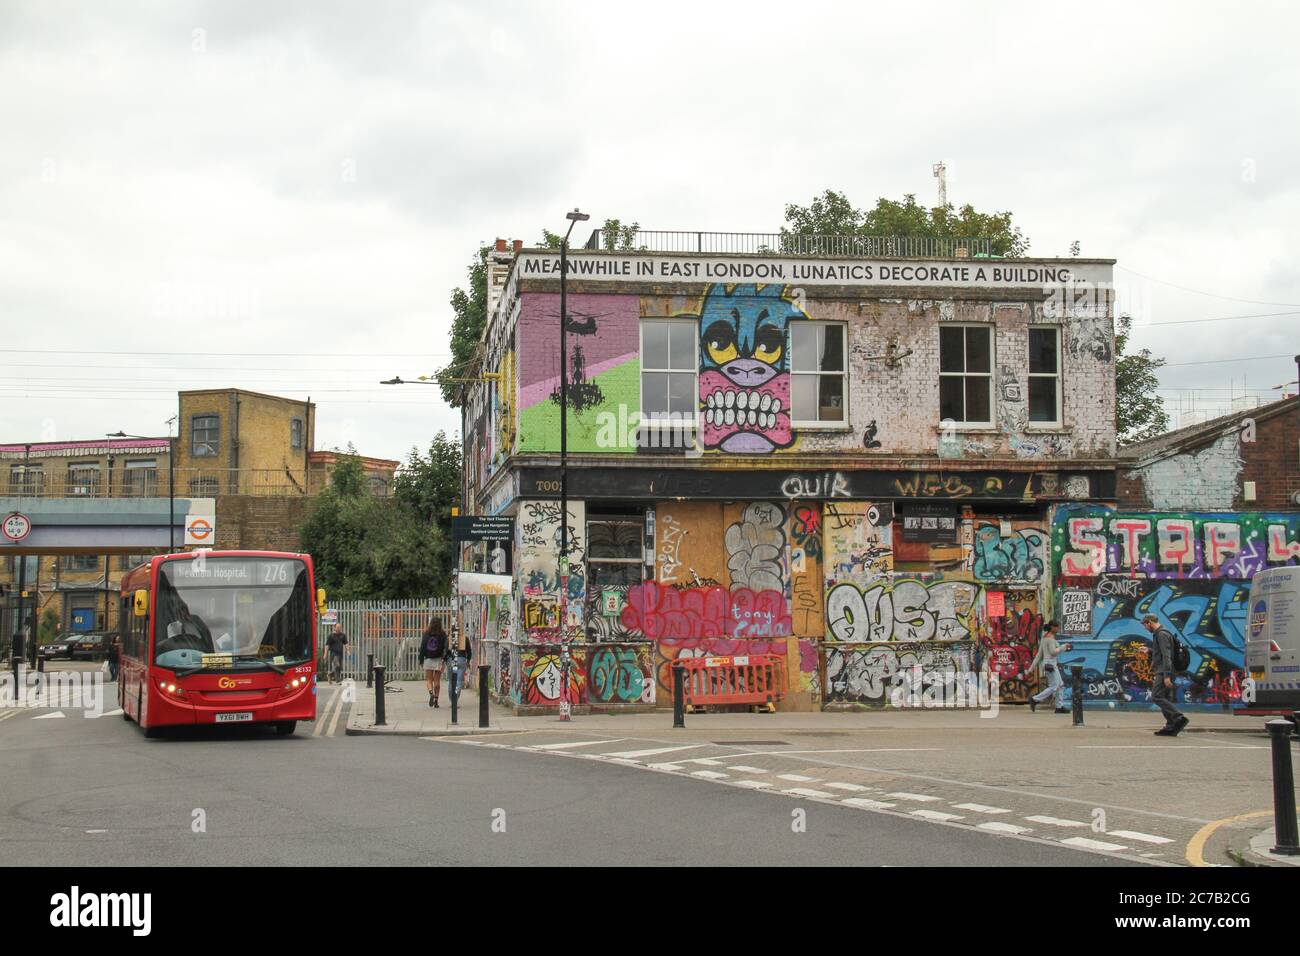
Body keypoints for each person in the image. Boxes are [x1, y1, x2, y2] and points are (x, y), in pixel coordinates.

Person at [1142, 614, 1189, 736]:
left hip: (1164, 671)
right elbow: (1163, 653)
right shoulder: (1161, 634)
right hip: (1164, 670)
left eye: (1145, 625)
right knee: (1164, 698)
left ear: (1150, 622)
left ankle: (1179, 717)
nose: (1145, 628)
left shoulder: (1162, 634)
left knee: (1156, 696)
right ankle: (1171, 726)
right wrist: (1150, 651)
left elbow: (1167, 656)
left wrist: (1167, 676)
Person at [1025, 621, 1072, 714]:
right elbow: (1053, 652)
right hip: (1050, 665)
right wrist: (1063, 647)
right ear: (1052, 627)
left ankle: (1059, 706)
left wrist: (1031, 669)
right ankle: (1035, 699)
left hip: (1049, 664)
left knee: (1061, 685)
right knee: (1054, 686)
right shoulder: (1050, 638)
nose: (1058, 629)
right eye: (1057, 627)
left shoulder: (1045, 638)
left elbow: (1039, 655)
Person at [420, 619, 448, 707]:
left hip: (428, 659)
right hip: (439, 659)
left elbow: (422, 647)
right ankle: (436, 700)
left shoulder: (426, 634)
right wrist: (444, 659)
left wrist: (421, 660)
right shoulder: (443, 634)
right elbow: (446, 648)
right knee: (437, 681)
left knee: (429, 680)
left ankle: (431, 693)